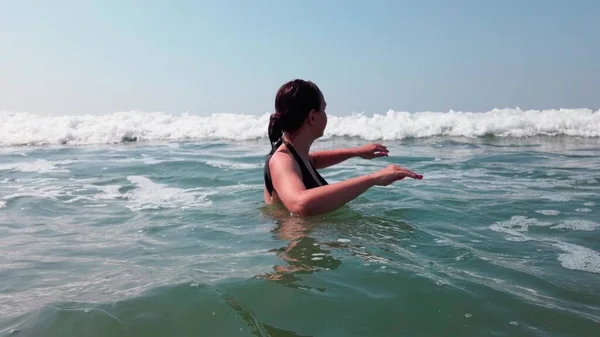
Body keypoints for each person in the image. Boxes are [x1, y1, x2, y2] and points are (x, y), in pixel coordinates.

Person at [264, 79, 423, 216]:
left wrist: (357, 152)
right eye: (324, 109)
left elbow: (314, 160)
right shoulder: (280, 160)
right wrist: (373, 179)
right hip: (298, 247)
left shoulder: (296, 156)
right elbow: (299, 204)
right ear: (312, 116)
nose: (326, 115)